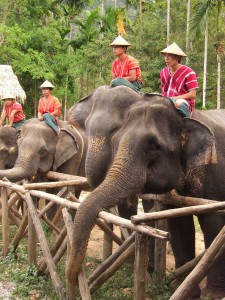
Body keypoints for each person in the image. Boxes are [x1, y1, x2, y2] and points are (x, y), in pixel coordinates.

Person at [160, 42, 199, 117]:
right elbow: (164, 91)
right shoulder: (163, 72)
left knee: (178, 103)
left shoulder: (189, 72)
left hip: (183, 102)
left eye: (170, 56)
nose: (166, 58)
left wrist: (173, 99)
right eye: (165, 56)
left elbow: (192, 94)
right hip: (167, 100)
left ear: (177, 58)